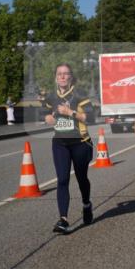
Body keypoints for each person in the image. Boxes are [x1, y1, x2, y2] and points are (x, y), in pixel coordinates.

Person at [42, 63, 94, 234]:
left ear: (71, 77)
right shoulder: (50, 96)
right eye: (59, 74)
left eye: (66, 74)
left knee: (81, 178)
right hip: (60, 144)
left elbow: (91, 117)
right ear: (56, 77)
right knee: (62, 179)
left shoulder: (80, 94)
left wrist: (69, 112)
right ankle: (63, 219)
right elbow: (46, 115)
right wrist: (48, 119)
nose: (62, 77)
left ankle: (86, 204)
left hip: (80, 143)